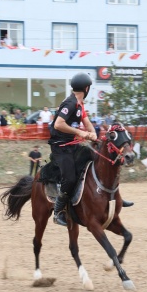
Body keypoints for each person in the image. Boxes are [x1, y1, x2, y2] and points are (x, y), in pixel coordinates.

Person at [48, 73, 98, 226]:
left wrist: (93, 133)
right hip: (60, 147)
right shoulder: (70, 103)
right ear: (87, 88)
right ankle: (58, 213)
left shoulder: (79, 104)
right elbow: (58, 124)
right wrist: (80, 132)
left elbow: (86, 121)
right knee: (69, 178)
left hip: (72, 145)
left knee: (94, 156)